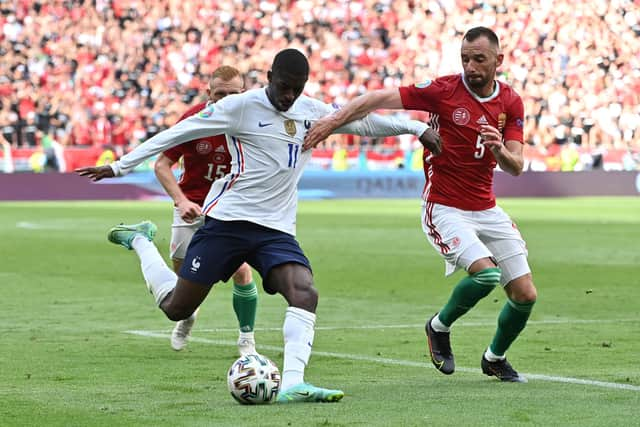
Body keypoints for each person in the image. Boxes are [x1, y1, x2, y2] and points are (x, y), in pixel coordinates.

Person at [76, 48, 441, 403]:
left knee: (304, 292)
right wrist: (120, 166)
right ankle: (141, 241)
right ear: (269, 77)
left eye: (296, 88)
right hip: (227, 222)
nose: (288, 95)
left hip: (275, 230)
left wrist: (413, 127)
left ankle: (294, 384)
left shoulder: (310, 109)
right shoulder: (240, 107)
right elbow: (177, 134)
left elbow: (362, 122)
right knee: (177, 308)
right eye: (283, 85)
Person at [303, 27, 537, 383]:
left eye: (479, 59)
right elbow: (376, 99)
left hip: (487, 208)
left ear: (498, 61)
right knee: (486, 274)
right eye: (465, 59)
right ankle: (438, 327)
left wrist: (500, 150)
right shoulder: (444, 90)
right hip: (445, 207)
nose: (470, 67)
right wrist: (333, 121)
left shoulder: (511, 102)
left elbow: (516, 166)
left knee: (525, 295)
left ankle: (494, 357)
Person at [154, 66, 258, 353]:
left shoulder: (254, 121)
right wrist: (181, 201)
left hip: (230, 207)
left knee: (241, 269)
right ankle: (188, 316)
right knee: (183, 275)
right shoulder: (193, 120)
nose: (226, 100)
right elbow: (162, 165)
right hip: (191, 205)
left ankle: (246, 338)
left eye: (233, 94)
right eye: (220, 94)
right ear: (208, 93)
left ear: (244, 94)